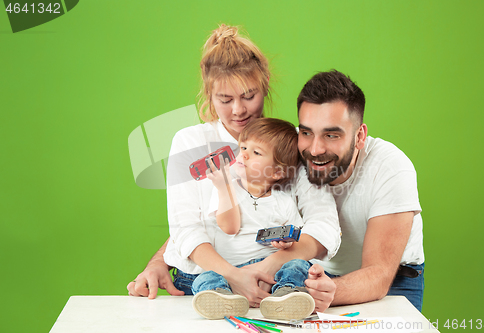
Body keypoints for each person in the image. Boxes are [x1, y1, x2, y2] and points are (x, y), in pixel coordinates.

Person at [127, 25, 341, 311]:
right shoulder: (190, 142)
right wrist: (235, 276)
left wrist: (271, 264)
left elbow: (324, 223)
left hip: (273, 282)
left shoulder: (286, 142)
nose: (238, 110)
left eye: (249, 96)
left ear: (265, 86)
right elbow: (185, 227)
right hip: (210, 280)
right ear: (209, 94)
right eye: (225, 100)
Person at [169, 118, 334, 320]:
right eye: (243, 147)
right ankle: (222, 298)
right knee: (205, 277)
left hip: (270, 273)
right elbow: (229, 226)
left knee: (298, 265)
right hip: (230, 271)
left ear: (277, 172)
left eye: (256, 153)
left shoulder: (282, 201)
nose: (244, 154)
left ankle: (286, 295)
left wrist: (286, 242)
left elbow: (296, 237)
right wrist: (224, 187)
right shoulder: (225, 189)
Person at [298, 70, 425, 311]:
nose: (314, 149)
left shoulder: (391, 168)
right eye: (306, 132)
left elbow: (378, 276)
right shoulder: (289, 152)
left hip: (392, 280)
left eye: (331, 134)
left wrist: (327, 292)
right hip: (313, 275)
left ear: (359, 136)